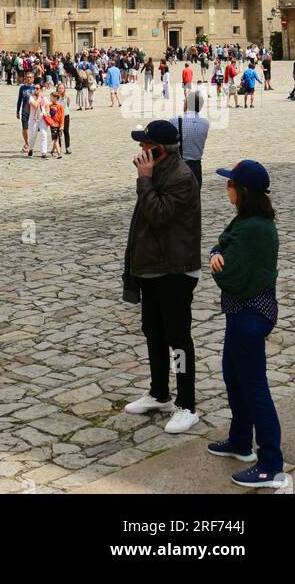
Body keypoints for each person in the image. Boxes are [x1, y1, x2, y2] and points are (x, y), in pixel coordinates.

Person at [207, 160, 287, 488]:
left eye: (230, 184)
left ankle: (271, 465)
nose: (226, 188)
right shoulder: (246, 219)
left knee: (255, 388)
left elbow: (231, 274)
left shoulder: (255, 227)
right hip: (240, 313)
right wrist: (216, 251)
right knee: (233, 376)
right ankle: (241, 441)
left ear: (242, 191)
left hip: (250, 315)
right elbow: (222, 241)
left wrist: (217, 264)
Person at [123, 120, 202, 434]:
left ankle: (186, 403)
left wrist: (144, 180)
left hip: (175, 270)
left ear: (160, 149)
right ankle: (159, 393)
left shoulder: (182, 177)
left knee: (178, 339)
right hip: (152, 267)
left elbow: (157, 214)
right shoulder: (158, 172)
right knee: (153, 331)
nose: (141, 149)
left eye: (146, 144)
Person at [179, 98, 209, 188]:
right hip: (196, 166)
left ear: (187, 104)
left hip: (179, 165)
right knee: (195, 196)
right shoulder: (205, 123)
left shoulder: (175, 121)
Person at [27, 85, 49, 158]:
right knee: (33, 136)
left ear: (40, 89)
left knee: (44, 134)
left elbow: (47, 106)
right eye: (35, 88)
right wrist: (39, 97)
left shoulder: (44, 98)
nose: (36, 90)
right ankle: (30, 148)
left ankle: (44, 152)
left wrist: (46, 113)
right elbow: (35, 105)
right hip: (33, 119)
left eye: (37, 88)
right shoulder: (31, 97)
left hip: (42, 118)